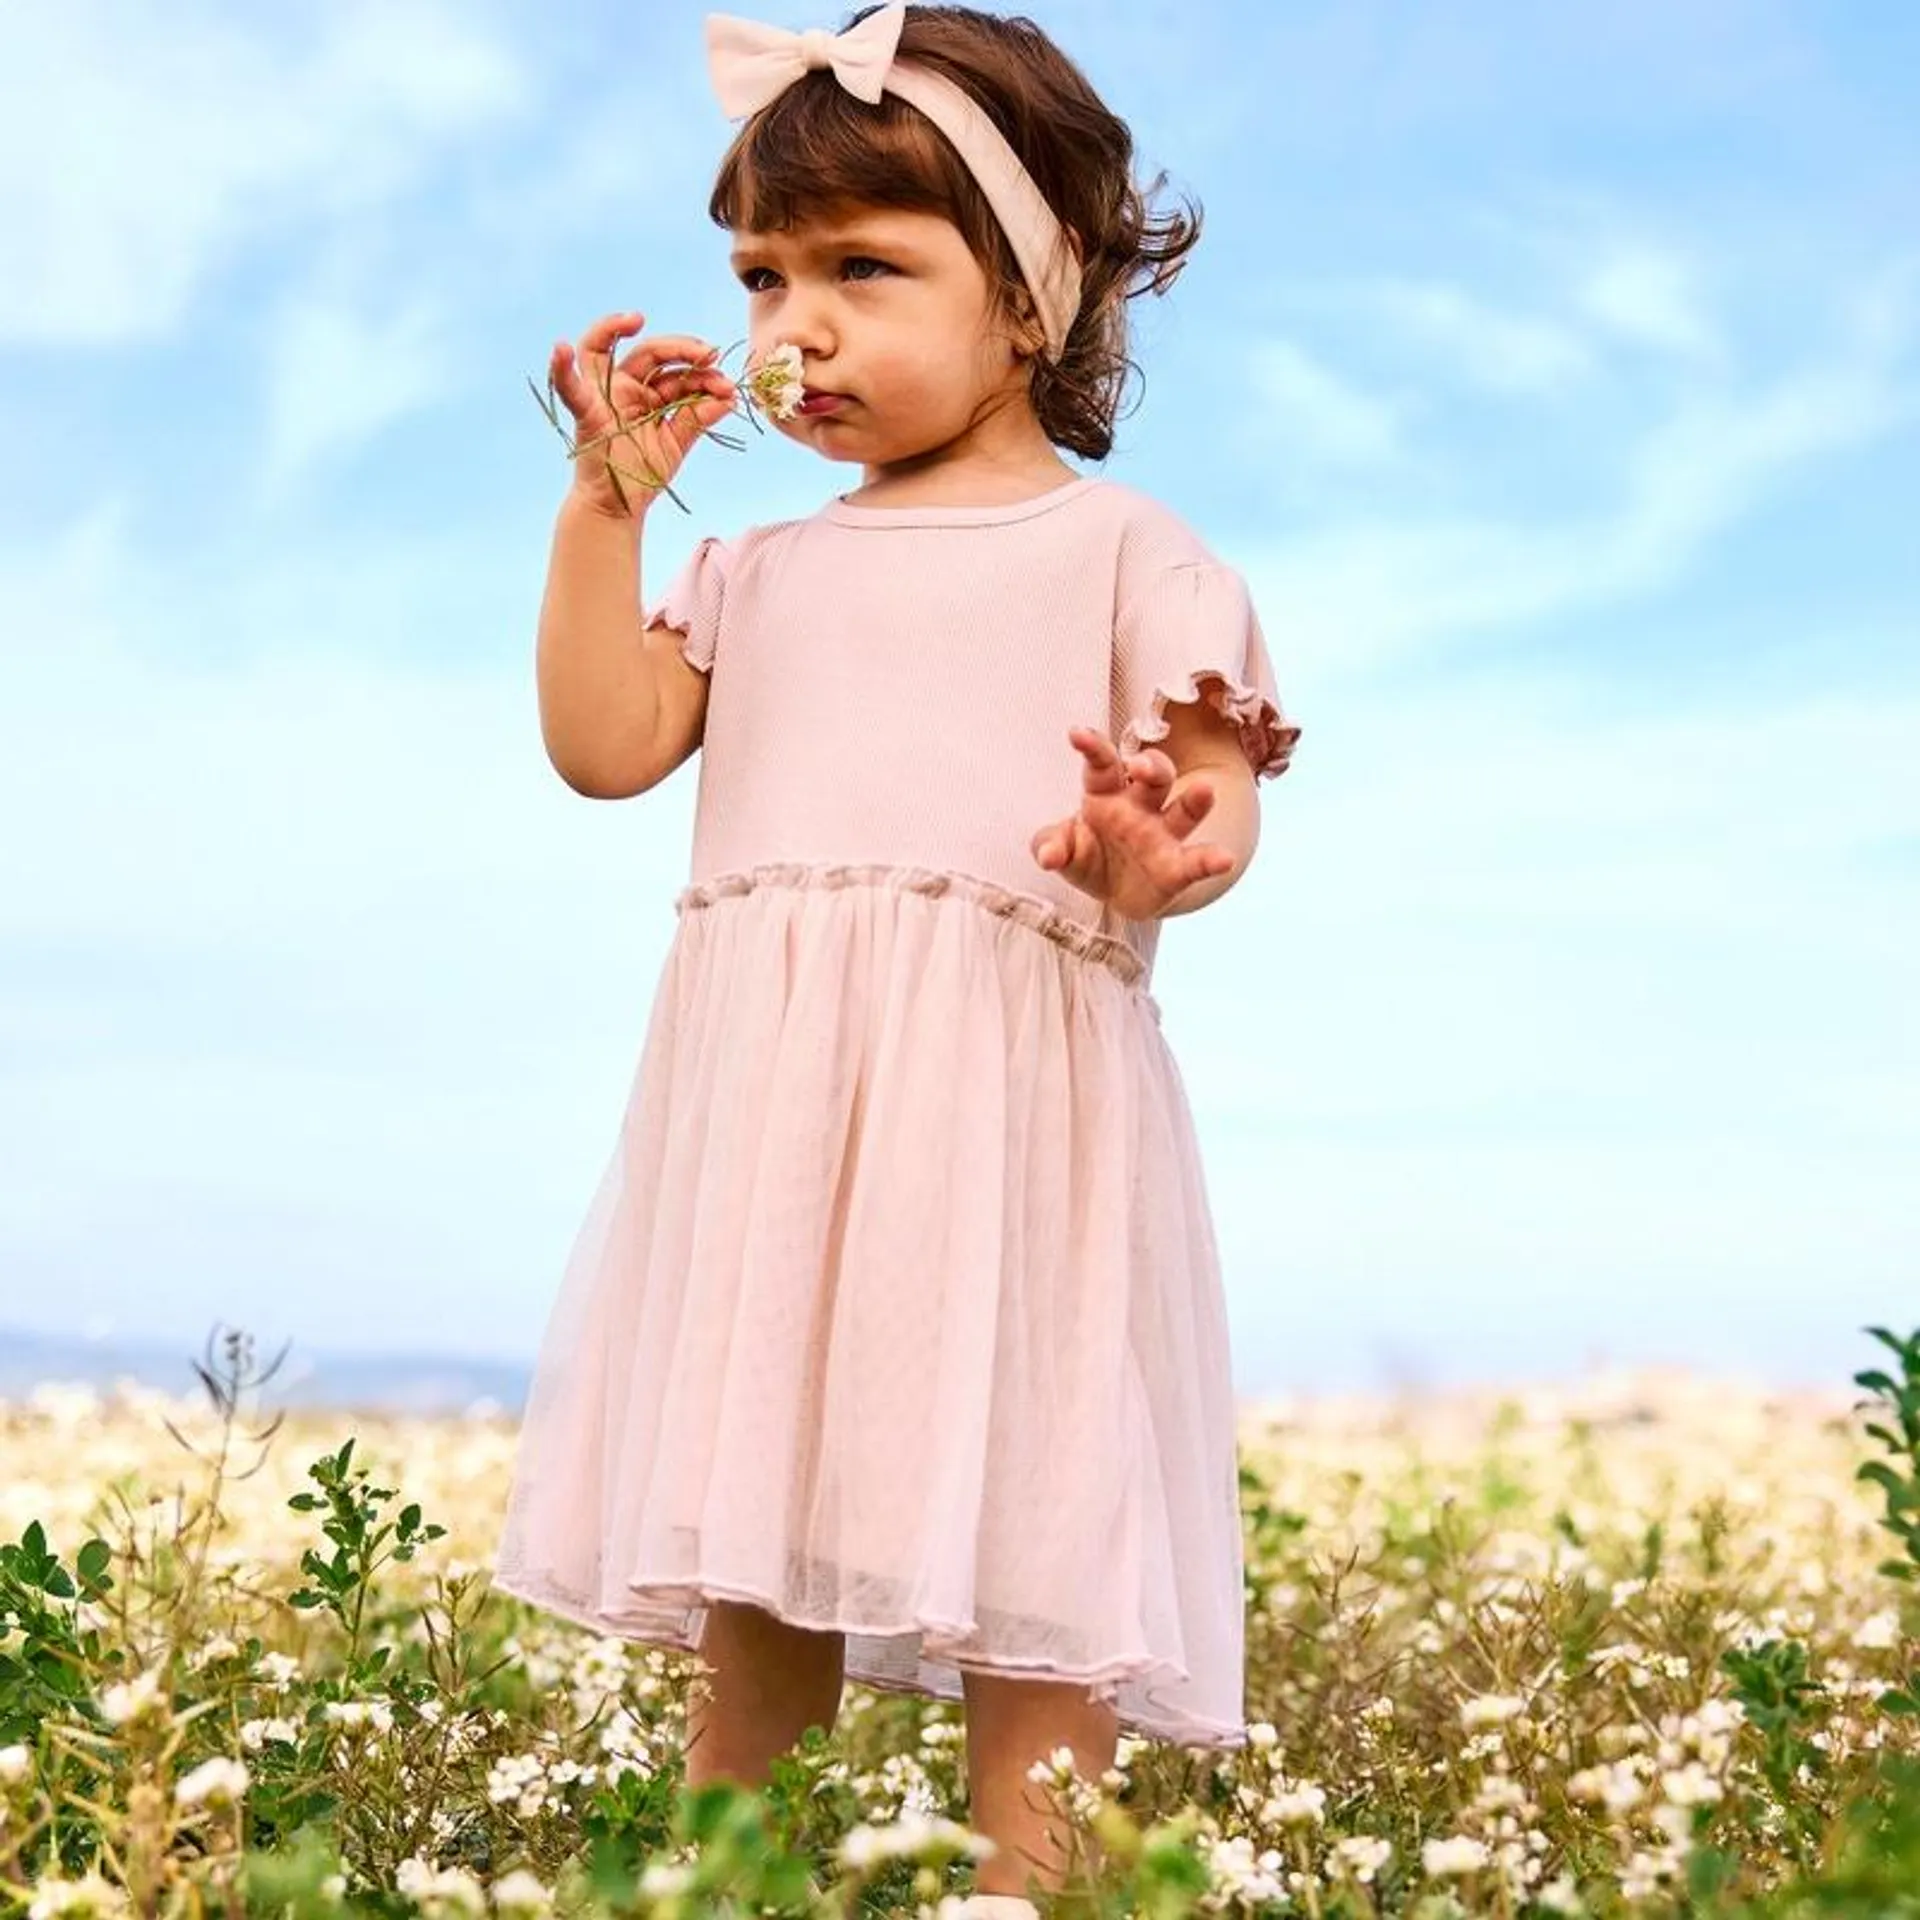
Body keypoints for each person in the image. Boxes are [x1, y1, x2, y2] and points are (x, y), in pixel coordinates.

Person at [489, 3, 1302, 1909]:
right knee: (754, 1525)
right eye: (765, 279)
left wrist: (1151, 848)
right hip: (778, 1127)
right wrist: (604, 507)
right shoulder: (758, 569)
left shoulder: (1131, 556)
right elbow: (605, 746)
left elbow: (1209, 816)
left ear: (1035, 294)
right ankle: (730, 1878)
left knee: (1036, 1544)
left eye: (865, 267)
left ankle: (1031, 1887)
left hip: (1008, 1132)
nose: (798, 329)